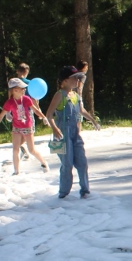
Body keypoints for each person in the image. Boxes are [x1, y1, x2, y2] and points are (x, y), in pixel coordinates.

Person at [46, 67, 99, 198]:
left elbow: (81, 110)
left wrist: (93, 120)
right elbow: (49, 114)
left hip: (75, 131)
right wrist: (55, 128)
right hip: (63, 132)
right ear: (65, 80)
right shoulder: (59, 95)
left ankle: (85, 191)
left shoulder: (75, 95)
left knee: (82, 162)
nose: (77, 80)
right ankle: (63, 193)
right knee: (67, 163)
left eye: (78, 77)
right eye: (74, 78)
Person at [0, 78, 50, 175]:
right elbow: (1, 115)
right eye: (22, 88)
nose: (24, 90)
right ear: (15, 90)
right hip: (16, 127)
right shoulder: (10, 102)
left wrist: (43, 117)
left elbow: (35, 110)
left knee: (31, 150)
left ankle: (43, 163)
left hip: (27, 127)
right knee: (15, 149)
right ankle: (16, 171)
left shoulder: (26, 99)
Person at [14, 63, 32, 160]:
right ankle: (20, 146)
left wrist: (9, 112)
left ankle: (21, 149)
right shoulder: (29, 83)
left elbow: (10, 96)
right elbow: (34, 98)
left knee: (19, 130)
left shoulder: (13, 82)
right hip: (27, 109)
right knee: (28, 130)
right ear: (26, 72)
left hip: (16, 109)